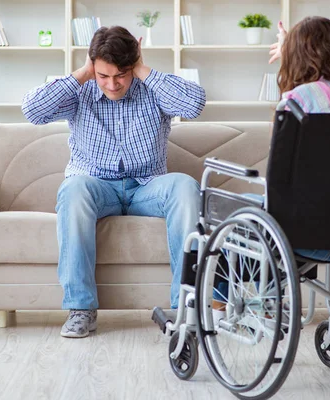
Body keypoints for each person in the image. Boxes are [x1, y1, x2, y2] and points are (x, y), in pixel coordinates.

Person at [22, 26, 206, 338]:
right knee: (73, 188)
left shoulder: (150, 89)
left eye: (121, 74)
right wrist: (83, 73)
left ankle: (185, 307)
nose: (112, 84)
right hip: (96, 186)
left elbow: (195, 104)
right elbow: (32, 111)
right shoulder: (82, 89)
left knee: (186, 186)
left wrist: (142, 68)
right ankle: (81, 308)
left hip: (147, 187)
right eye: (103, 75)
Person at [213, 16, 330, 315]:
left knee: (237, 212)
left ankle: (221, 307)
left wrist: (290, 59)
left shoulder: (296, 100)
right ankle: (267, 296)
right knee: (270, 212)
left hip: (310, 233)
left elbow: (280, 172)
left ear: (296, 56)